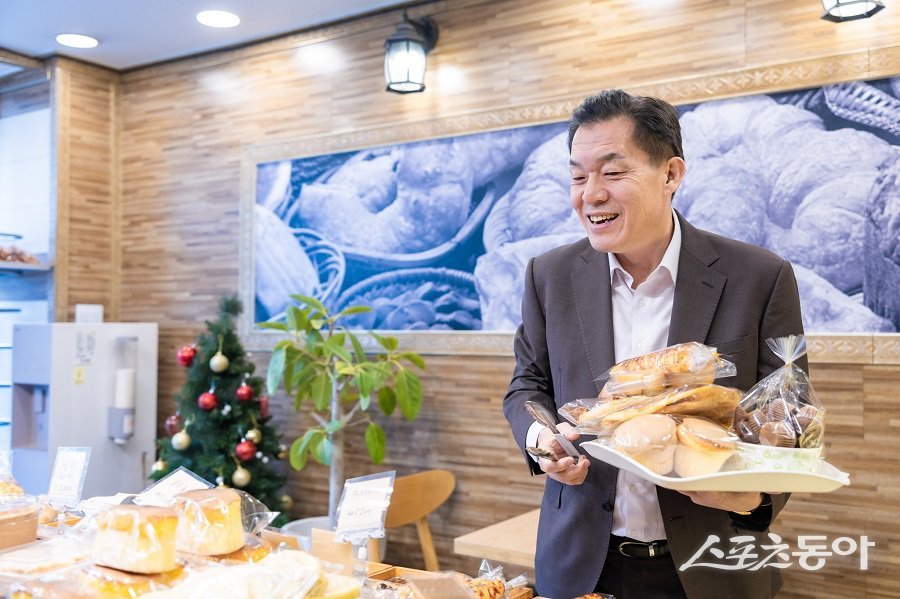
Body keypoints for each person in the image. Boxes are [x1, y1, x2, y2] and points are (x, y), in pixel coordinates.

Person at [503, 89, 806, 599]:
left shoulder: (759, 277)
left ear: (671, 175)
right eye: (578, 176)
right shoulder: (549, 275)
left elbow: (790, 415)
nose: (590, 194)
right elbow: (527, 385)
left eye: (612, 172)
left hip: (712, 564)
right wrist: (542, 440)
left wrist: (751, 495)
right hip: (582, 562)